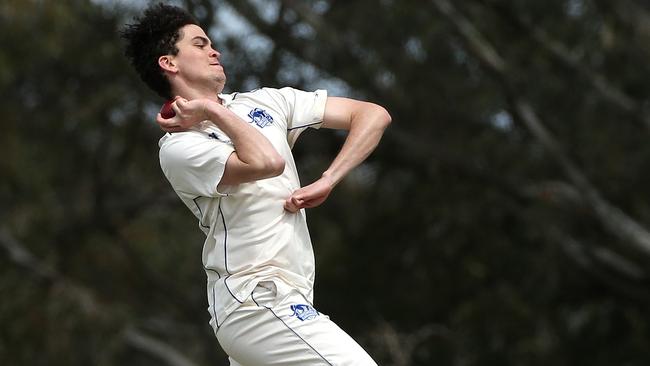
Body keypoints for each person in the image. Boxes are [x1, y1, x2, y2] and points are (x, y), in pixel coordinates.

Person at [121, 3, 391, 365]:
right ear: (169, 62)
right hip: (257, 300)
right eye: (199, 44)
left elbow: (373, 115)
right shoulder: (180, 147)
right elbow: (267, 162)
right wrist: (214, 111)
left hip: (286, 301)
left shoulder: (266, 102)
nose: (214, 51)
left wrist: (330, 177)